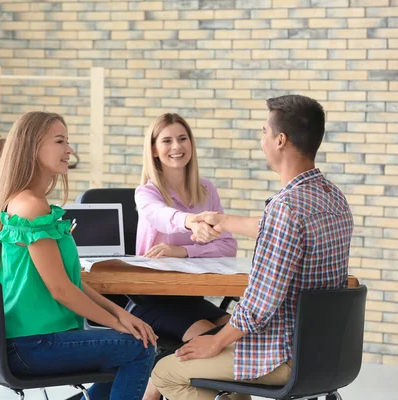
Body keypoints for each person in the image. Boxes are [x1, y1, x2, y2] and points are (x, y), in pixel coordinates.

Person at [151, 95, 355, 400]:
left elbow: (259, 304)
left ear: (280, 140)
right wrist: (223, 220)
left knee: (165, 373)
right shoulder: (333, 198)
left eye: (264, 132)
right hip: (322, 355)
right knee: (226, 385)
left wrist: (218, 341)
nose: (262, 140)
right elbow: (273, 229)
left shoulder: (286, 208)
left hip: (281, 355)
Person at [0, 111, 157, 400]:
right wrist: (116, 324)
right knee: (140, 346)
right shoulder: (30, 207)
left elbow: (72, 282)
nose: (69, 150)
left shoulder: (30, 203)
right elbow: (61, 291)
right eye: (60, 141)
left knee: (134, 339)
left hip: (33, 341)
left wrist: (120, 314)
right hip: (32, 344)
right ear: (33, 147)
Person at [133, 113, 238, 400]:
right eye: (166, 140)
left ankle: (154, 388)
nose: (176, 146)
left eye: (182, 138)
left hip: (191, 297)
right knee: (210, 337)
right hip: (151, 299)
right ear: (154, 149)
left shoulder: (207, 190)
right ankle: (155, 387)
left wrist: (185, 250)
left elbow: (228, 246)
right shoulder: (146, 193)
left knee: (238, 332)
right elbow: (163, 217)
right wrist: (191, 222)